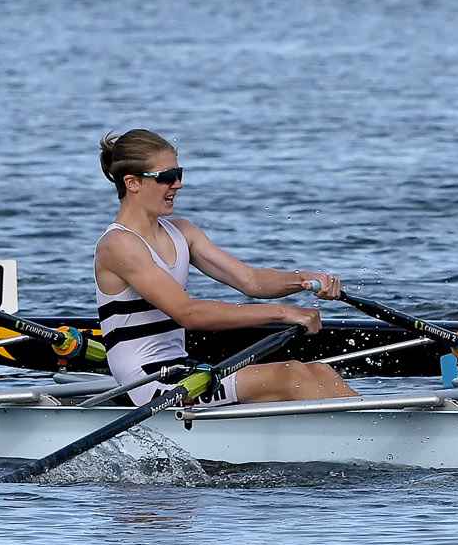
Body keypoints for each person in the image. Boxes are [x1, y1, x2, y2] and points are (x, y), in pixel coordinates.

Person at [92, 128, 353, 408]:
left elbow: (251, 281)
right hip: (149, 385)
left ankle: (376, 428)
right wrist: (284, 313)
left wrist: (305, 280)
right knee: (291, 376)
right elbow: (188, 313)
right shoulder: (118, 244)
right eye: (167, 177)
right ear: (132, 183)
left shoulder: (182, 231)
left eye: (179, 174)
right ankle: (368, 440)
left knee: (319, 371)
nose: (177, 185)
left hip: (182, 369)